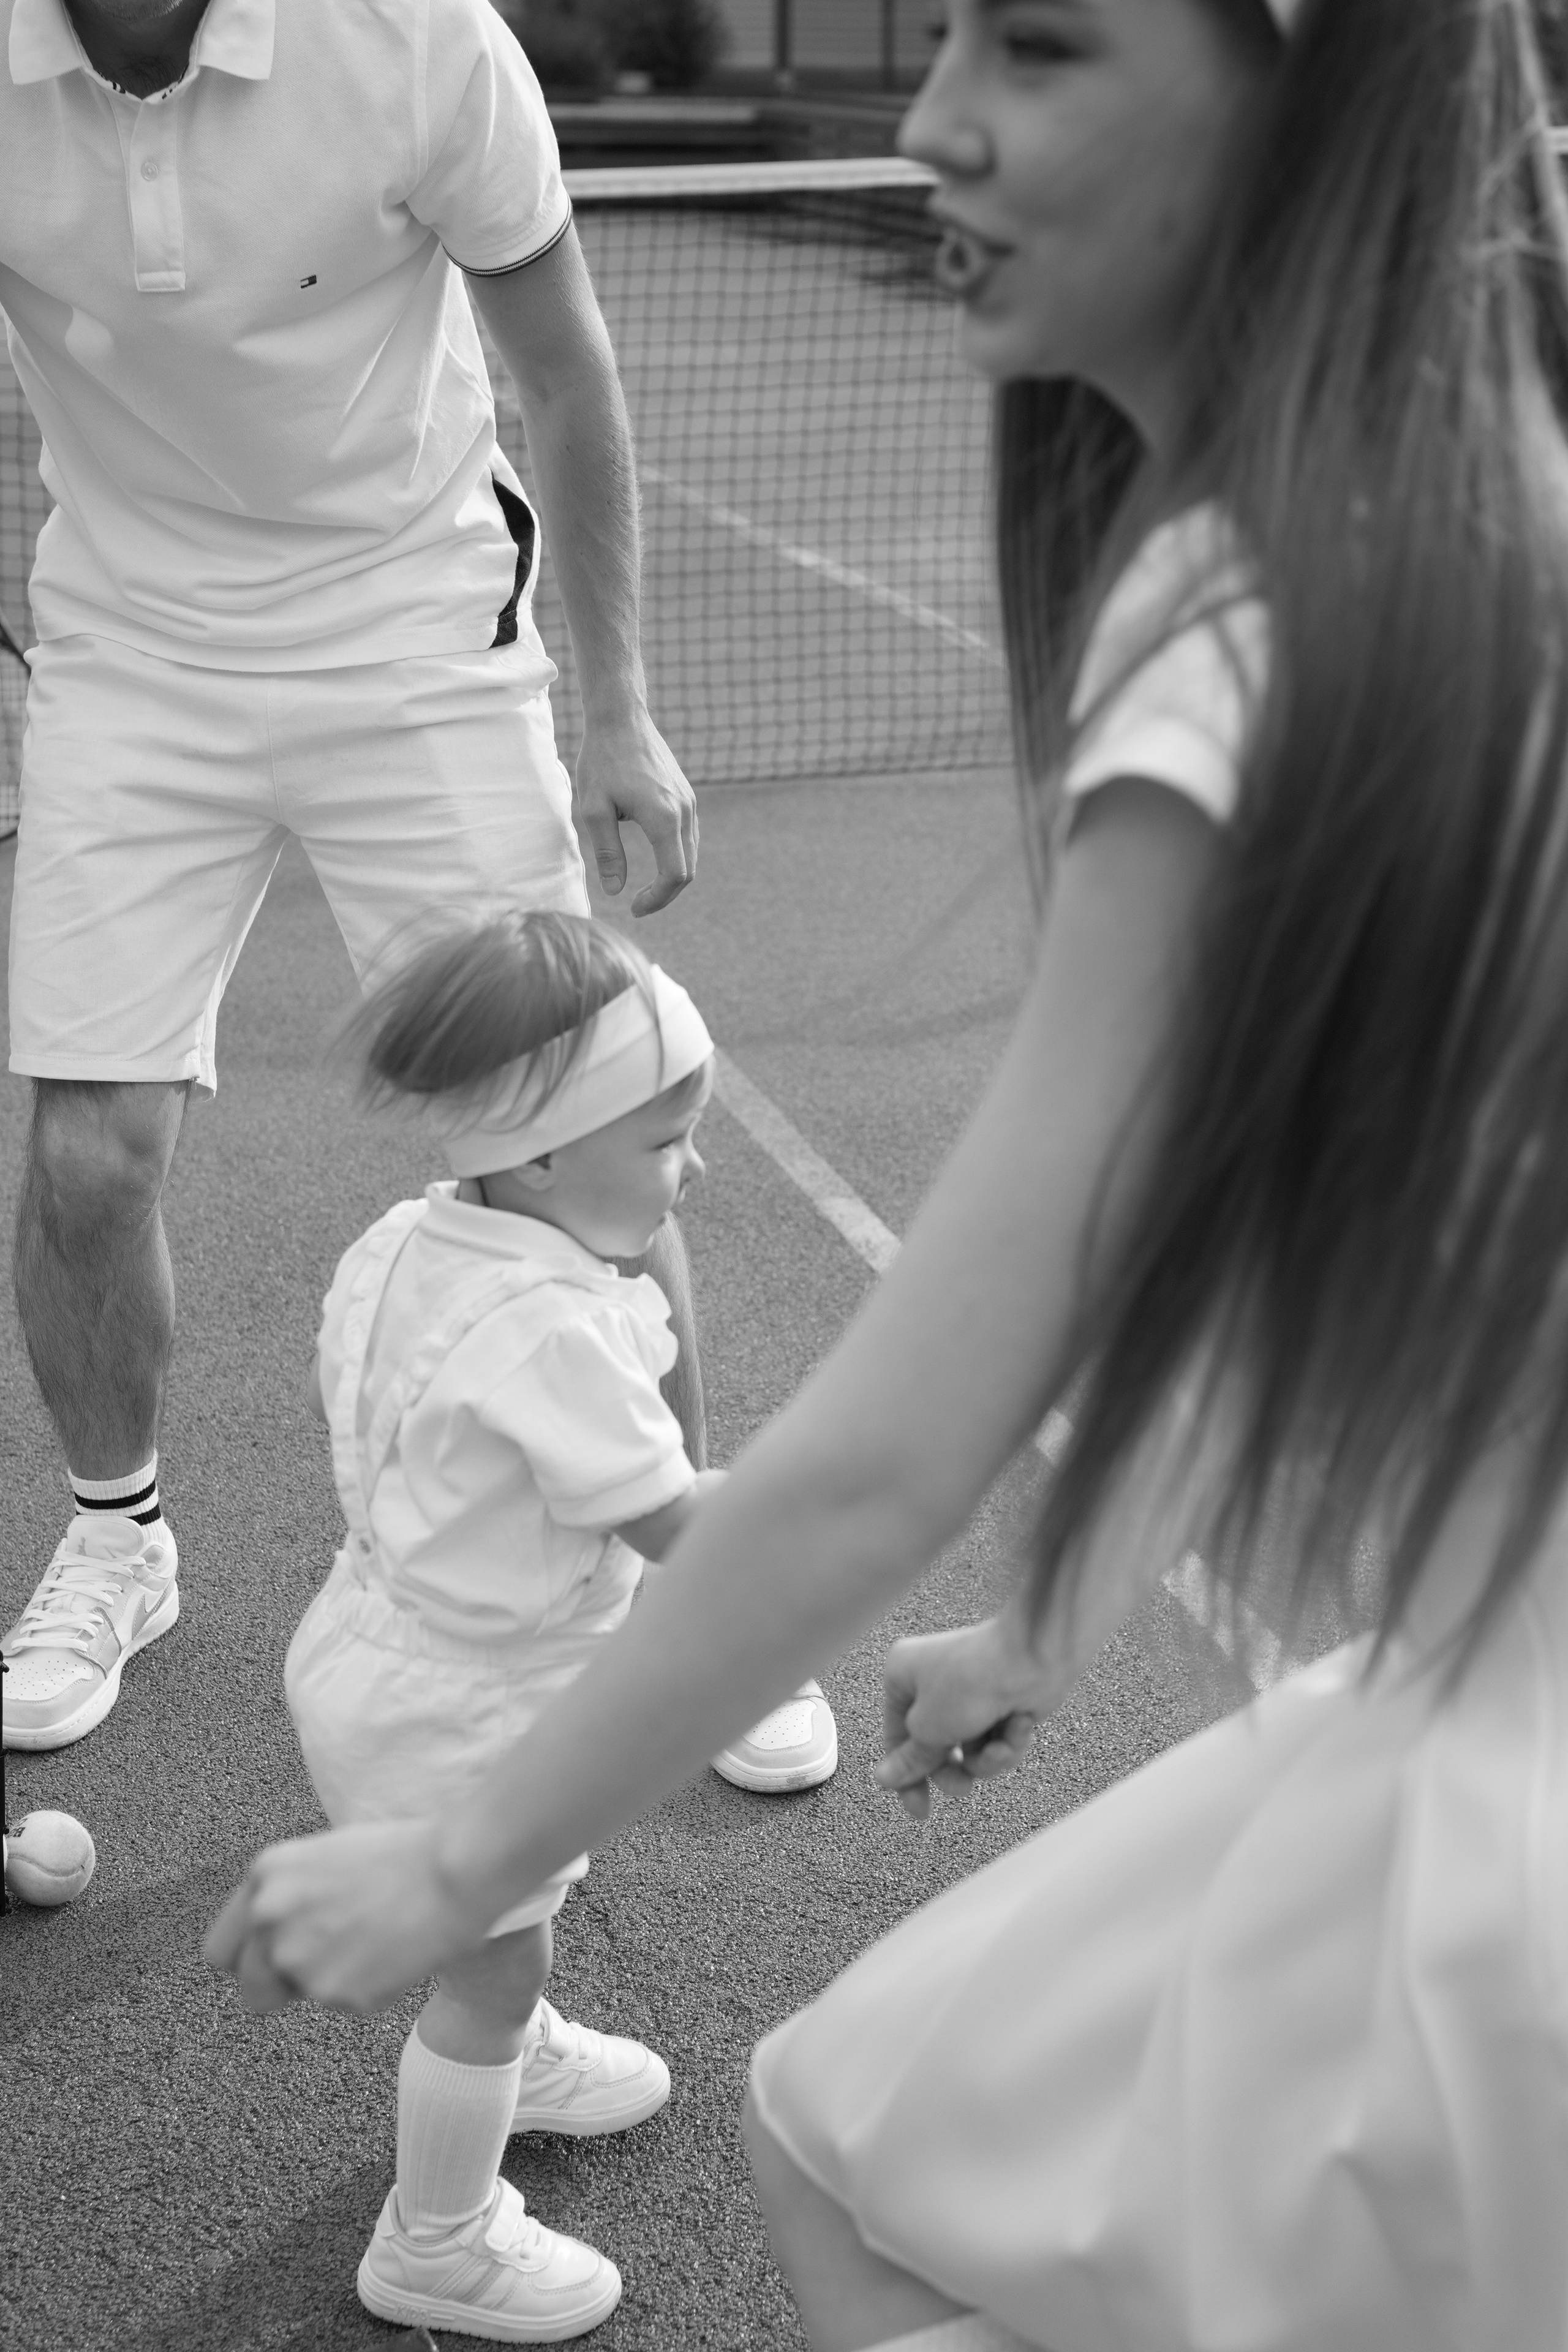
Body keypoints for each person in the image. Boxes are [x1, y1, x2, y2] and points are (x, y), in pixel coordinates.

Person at [209, 0, 1568, 2345]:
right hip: (1460, 1699)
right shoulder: (1468, 522)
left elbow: (865, 1472)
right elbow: (1267, 1234)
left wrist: (465, 1851)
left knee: (851, 2144)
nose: (933, 119)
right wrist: (1052, 1620)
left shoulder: (1252, 624)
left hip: (1498, 1772)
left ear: (1319, 91)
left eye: (1037, 47)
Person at [0, 0, 836, 1796]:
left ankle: (685, 1607)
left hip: (408, 616)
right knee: (86, 1151)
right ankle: (116, 1544)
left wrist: (617, 712)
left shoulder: (415, 37)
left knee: (575, 1109)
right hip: (131, 646)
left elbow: (565, 372)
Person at [288, 910, 732, 2337]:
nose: (692, 1170)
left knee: (497, 1931)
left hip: (381, 1646)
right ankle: (438, 2241)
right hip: (465, 1705)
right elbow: (677, 1530)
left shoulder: (407, 1239)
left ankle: (515, 2060)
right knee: (490, 1966)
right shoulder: (555, 1330)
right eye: (663, 1142)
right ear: (544, 1153)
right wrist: (858, 1490)